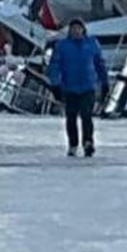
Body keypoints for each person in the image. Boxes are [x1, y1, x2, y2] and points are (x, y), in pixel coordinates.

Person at [47, 18, 108, 157]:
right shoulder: (62, 46)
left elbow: (100, 64)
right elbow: (55, 66)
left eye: (78, 28)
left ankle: (88, 142)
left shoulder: (91, 44)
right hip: (69, 87)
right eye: (73, 28)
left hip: (88, 86)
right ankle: (73, 144)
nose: (76, 31)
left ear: (83, 30)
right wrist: (55, 85)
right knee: (71, 117)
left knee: (87, 115)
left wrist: (104, 82)